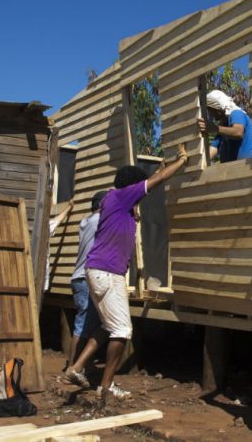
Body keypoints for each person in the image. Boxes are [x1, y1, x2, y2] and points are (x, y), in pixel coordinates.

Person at [65, 144, 189, 406]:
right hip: (107, 273)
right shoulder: (121, 196)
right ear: (132, 187)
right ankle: (106, 387)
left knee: (107, 326)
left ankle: (76, 368)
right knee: (122, 330)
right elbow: (158, 179)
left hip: (99, 271)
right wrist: (181, 161)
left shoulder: (114, 202)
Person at [63, 190, 107, 387]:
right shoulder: (99, 221)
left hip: (78, 278)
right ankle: (73, 367)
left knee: (86, 322)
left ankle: (80, 364)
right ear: (101, 205)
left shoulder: (85, 222)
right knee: (84, 324)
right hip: (85, 278)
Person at [197, 89, 252, 162]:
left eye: (211, 110)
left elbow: (238, 132)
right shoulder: (224, 126)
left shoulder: (236, 113)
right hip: (229, 169)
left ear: (218, 108)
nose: (210, 113)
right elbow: (214, 148)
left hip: (245, 165)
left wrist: (214, 128)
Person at [44, 199, 74, 293]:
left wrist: (69, 207)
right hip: (42, 274)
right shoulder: (45, 227)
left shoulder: (44, 227)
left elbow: (56, 220)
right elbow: (57, 220)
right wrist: (69, 206)